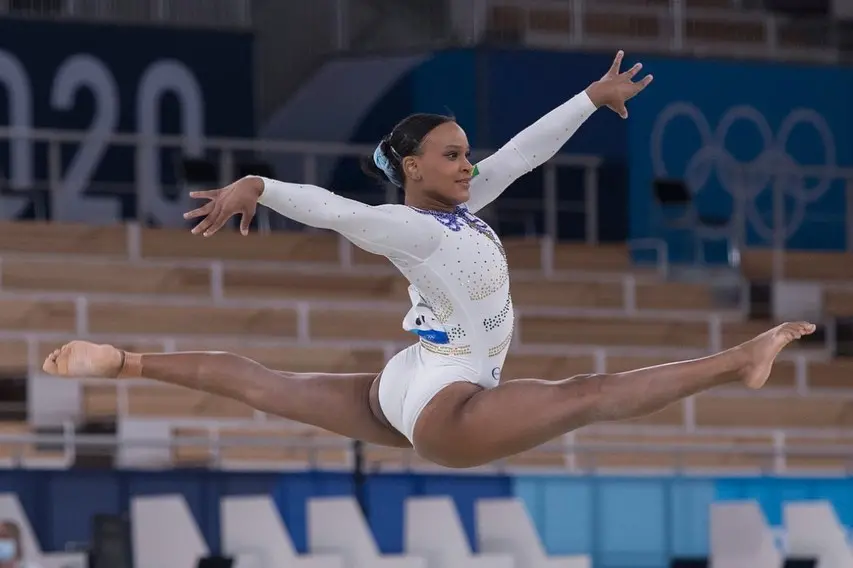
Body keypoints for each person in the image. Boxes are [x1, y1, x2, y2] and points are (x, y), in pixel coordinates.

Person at [42, 51, 814, 468]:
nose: (467, 165)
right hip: (447, 408)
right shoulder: (414, 230)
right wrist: (259, 185)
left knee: (261, 382)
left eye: (465, 153)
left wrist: (587, 100)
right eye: (450, 155)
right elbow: (339, 212)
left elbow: (522, 153)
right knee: (587, 394)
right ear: (411, 166)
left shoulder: (463, 208)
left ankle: (123, 361)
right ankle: (736, 360)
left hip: (412, 378)